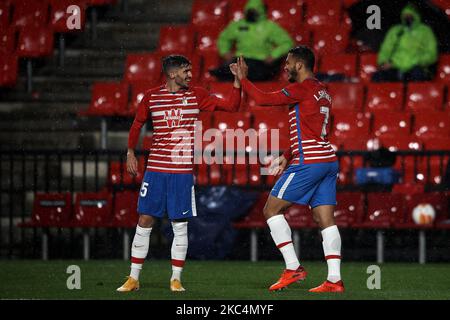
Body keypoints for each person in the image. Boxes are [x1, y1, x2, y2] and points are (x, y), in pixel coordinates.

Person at [116, 55, 242, 292]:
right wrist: (130, 152)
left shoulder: (197, 95)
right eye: (186, 71)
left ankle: (176, 278)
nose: (190, 75)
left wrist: (237, 81)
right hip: (155, 170)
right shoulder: (152, 97)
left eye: (191, 70)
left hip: (182, 171)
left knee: (179, 225)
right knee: (144, 220)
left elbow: (232, 106)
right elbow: (137, 124)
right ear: (172, 74)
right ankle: (133, 278)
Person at [234, 46, 344, 293]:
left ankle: (293, 267)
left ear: (300, 65)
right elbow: (313, 130)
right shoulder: (322, 91)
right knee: (325, 220)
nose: (284, 67)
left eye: (288, 62)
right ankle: (334, 280)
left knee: (271, 210)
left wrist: (243, 79)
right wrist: (286, 155)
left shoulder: (302, 88)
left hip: (309, 163)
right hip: (327, 160)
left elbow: (262, 99)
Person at [209, 0, 294, 82]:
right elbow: (224, 38)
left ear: (260, 11)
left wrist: (274, 55)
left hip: (261, 61)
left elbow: (287, 43)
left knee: (252, 73)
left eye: (254, 11)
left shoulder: (269, 26)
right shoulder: (239, 25)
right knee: (227, 72)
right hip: (241, 59)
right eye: (250, 10)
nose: (251, 13)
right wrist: (225, 52)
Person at [372, 3, 438, 82]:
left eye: (410, 15)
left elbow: (431, 53)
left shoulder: (425, 31)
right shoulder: (396, 30)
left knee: (417, 76)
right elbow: (386, 49)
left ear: (415, 15)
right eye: (405, 15)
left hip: (417, 67)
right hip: (395, 66)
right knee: (378, 77)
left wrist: (418, 61)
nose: (407, 17)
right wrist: (383, 62)